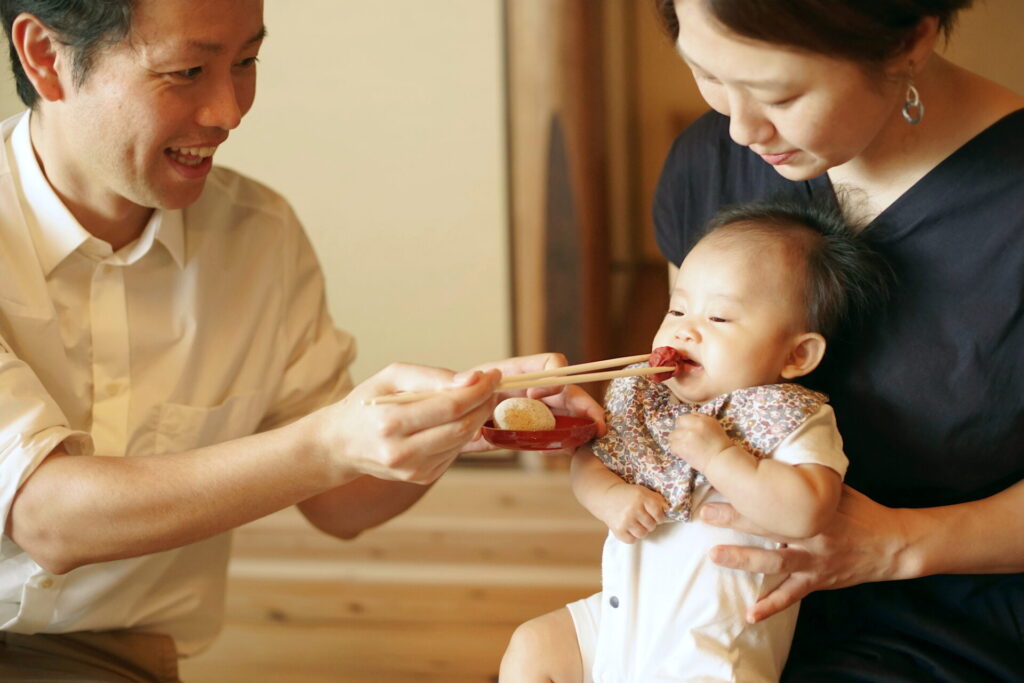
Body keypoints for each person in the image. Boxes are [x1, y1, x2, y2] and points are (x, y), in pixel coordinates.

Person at [0, 1, 603, 680]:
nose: (230, 111)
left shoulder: (257, 237)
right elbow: (49, 516)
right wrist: (331, 440)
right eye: (188, 70)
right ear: (46, 57)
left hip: (108, 658)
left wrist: (465, 417)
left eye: (247, 62)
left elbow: (341, 502)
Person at [646, 1, 1023, 680]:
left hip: (942, 623)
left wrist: (900, 544)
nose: (740, 128)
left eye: (779, 94)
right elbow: (693, 387)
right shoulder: (711, 159)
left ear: (910, 38)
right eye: (706, 74)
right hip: (709, 607)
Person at [500, 198, 892, 681]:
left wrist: (722, 456)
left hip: (710, 651)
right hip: (622, 620)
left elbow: (806, 511)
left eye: (719, 318)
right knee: (534, 645)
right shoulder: (648, 396)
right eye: (678, 307)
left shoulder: (792, 414)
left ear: (796, 354)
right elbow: (593, 460)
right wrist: (611, 497)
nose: (686, 329)